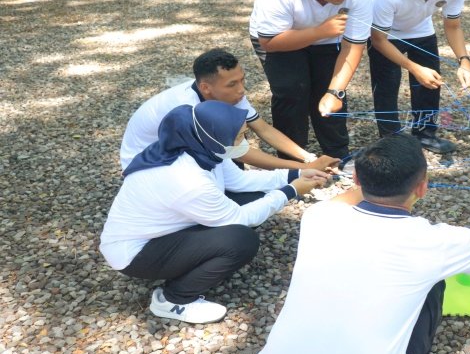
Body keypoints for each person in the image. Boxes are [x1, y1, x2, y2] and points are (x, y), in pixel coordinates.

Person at [254, 134, 470, 354]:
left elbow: (352, 194)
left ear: (356, 178)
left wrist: (369, 178)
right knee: (435, 283)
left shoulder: (318, 216)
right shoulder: (435, 243)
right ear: (423, 187)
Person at [100, 100, 330, 324]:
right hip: (136, 254)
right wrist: (291, 191)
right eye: (239, 137)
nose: (244, 142)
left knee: (254, 198)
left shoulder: (199, 146)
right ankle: (174, 299)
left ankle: (196, 265)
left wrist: (296, 175)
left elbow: (240, 181)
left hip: (162, 232)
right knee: (241, 240)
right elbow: (240, 219)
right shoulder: (187, 181)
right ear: (214, 137)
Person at [249, 0, 373, 160]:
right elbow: (269, 42)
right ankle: (292, 159)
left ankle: (337, 154)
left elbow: (353, 46)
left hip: (328, 37)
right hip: (280, 36)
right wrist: (319, 32)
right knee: (292, 92)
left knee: (329, 89)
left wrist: (335, 92)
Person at [120, 48, 337, 173]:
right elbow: (240, 152)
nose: (241, 89)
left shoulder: (226, 93)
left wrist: (308, 157)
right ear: (206, 87)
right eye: (232, 84)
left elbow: (263, 129)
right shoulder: (189, 109)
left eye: (242, 80)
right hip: (147, 165)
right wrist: (301, 169)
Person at [369, 0, 470, 154]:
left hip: (422, 30)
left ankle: (425, 134)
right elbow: (378, 40)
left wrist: (464, 61)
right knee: (387, 86)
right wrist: (414, 68)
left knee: (431, 83)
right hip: (387, 34)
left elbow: (453, 26)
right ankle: (390, 141)